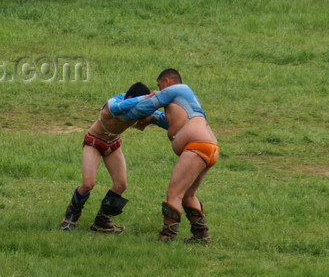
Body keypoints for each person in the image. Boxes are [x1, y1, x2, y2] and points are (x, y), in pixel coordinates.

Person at [127, 68, 219, 244]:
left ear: (167, 82)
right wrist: (152, 119)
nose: (159, 89)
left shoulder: (176, 89)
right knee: (188, 195)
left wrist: (127, 112)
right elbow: (170, 122)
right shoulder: (185, 100)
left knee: (174, 193)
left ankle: (166, 238)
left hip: (197, 146)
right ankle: (201, 237)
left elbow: (148, 105)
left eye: (159, 85)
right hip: (208, 147)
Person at [60, 82, 167, 233]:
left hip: (113, 145)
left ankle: (102, 221)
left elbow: (161, 118)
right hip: (94, 142)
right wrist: (145, 98)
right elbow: (118, 108)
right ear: (130, 97)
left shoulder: (139, 107)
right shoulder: (114, 102)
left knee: (121, 185)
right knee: (88, 183)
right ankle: (72, 214)